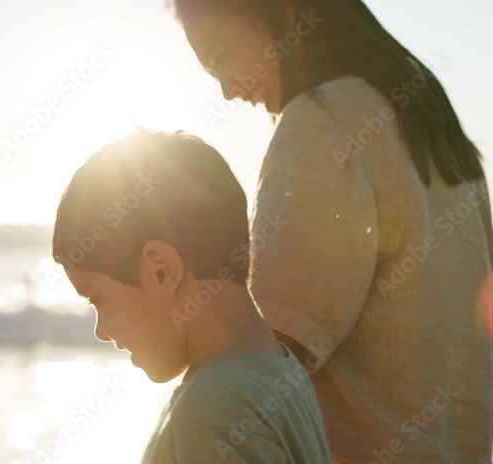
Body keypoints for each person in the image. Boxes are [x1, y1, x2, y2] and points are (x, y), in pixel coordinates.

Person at [171, 0, 493, 462]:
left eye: (220, 57)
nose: (229, 90)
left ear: (283, 16)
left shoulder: (320, 123)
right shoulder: (430, 124)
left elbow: (271, 358)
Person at [51, 129, 332, 463]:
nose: (101, 331)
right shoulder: (283, 372)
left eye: (98, 299)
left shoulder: (211, 414)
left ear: (162, 270)